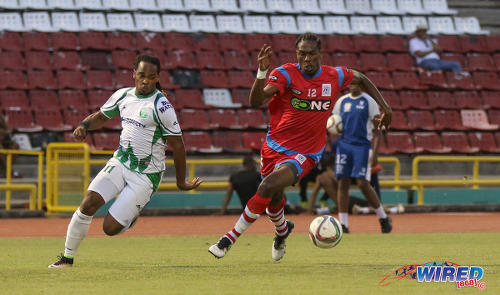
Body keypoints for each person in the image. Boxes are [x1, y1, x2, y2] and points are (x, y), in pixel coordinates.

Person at [208, 33, 392, 261]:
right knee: (273, 200)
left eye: (311, 53)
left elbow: (361, 78)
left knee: (266, 186)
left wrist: (385, 107)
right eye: (301, 53)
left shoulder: (333, 76)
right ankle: (282, 232)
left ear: (320, 54)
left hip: (306, 153)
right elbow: (255, 102)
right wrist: (262, 73)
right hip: (274, 147)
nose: (306, 58)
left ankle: (227, 240)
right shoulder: (284, 74)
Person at [48, 54, 203, 268]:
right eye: (141, 75)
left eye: (150, 76)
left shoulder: (162, 106)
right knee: (88, 203)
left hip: (146, 175)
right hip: (120, 162)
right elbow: (101, 116)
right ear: (134, 74)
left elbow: (178, 146)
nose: (145, 80)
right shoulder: (123, 95)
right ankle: (66, 259)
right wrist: (84, 125)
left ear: (157, 77)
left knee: (109, 228)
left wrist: (180, 182)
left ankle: (130, 217)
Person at [333, 83, 392, 234]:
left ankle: (383, 217)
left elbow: (378, 131)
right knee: (342, 183)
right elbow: (334, 123)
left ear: (362, 85)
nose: (354, 86)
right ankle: (343, 225)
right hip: (344, 145)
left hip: (362, 146)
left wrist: (376, 153)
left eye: (357, 82)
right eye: (351, 83)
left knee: (362, 183)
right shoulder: (342, 101)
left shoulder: (369, 101)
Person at [0, 114, 20, 178]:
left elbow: (9, 130)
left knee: (15, 145)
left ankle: (6, 170)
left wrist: (4, 132)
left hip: (3, 142)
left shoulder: (1, 118)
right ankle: (9, 171)